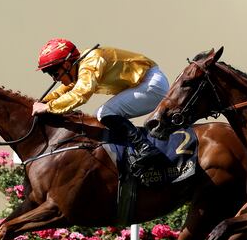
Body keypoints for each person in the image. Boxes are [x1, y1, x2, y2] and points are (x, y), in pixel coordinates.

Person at [31, 38, 170, 174]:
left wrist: (48, 107)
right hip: (144, 83)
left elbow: (80, 94)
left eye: (54, 73)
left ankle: (146, 148)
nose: (55, 79)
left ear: (67, 65)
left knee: (104, 113)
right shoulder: (79, 64)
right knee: (107, 113)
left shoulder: (91, 61)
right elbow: (67, 89)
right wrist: (44, 102)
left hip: (151, 84)